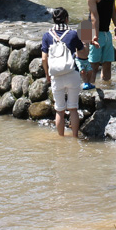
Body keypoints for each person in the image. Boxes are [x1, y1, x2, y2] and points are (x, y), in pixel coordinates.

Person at [41, 8, 90, 138]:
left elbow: (44, 58)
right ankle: (74, 137)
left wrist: (47, 74)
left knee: (60, 110)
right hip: (72, 73)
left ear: (53, 19)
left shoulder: (47, 36)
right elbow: (84, 53)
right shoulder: (73, 34)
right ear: (67, 19)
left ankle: (61, 139)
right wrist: (86, 42)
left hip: (56, 75)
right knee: (73, 108)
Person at [87, 0, 116, 83]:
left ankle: (107, 85)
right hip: (94, 31)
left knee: (107, 62)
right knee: (94, 63)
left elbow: (113, 9)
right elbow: (94, 17)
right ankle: (90, 87)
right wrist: (94, 36)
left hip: (106, 32)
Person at [77, 18, 96, 90]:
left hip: (86, 59)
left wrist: (95, 43)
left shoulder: (88, 39)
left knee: (90, 71)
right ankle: (85, 83)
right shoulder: (79, 39)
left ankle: (88, 83)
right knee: (82, 71)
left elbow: (92, 42)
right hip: (79, 59)